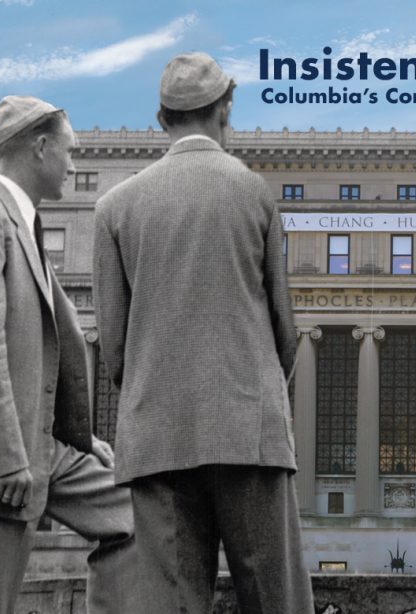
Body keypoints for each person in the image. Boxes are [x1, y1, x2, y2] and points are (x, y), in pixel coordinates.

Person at [93, 52, 313, 613]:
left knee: (172, 605)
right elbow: (285, 332)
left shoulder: (114, 208)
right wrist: (257, 388)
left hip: (157, 438)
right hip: (250, 433)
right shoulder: (255, 192)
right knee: (275, 600)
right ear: (225, 108)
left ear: (162, 118)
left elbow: (113, 350)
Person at [0, 96, 136, 614]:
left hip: (46, 449)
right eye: (70, 151)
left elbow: (48, 350)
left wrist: (84, 439)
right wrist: (6, 460)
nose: (74, 165)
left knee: (143, 518)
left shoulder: (25, 225)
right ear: (40, 146)